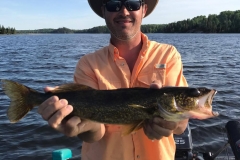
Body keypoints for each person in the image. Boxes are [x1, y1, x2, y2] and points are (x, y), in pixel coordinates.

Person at [38, 0, 189, 159]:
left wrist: (172, 124)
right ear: (104, 11)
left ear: (143, 9)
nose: (124, 11)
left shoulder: (168, 54)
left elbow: (181, 125)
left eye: (132, 3)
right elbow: (95, 132)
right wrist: (84, 126)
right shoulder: (88, 64)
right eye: (113, 4)